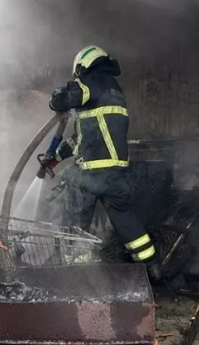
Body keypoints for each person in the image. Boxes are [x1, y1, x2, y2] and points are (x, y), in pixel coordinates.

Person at [45, 45, 161, 282]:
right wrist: (56, 157)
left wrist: (58, 95)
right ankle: (152, 268)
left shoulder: (91, 82)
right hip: (116, 174)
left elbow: (62, 100)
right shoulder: (114, 90)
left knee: (76, 225)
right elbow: (80, 140)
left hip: (92, 173)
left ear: (83, 65)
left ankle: (75, 274)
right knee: (126, 222)